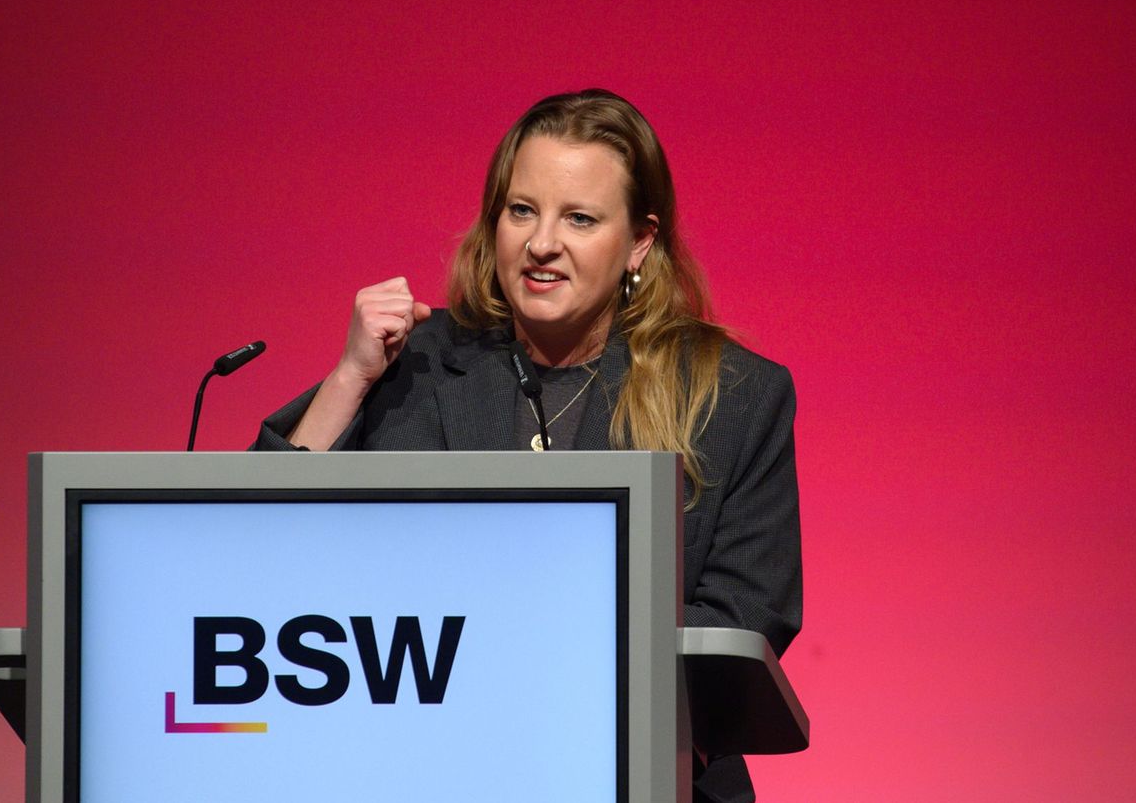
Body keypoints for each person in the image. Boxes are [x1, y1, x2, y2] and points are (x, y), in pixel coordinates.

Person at [253, 89, 801, 803]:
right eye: (522, 211)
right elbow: (257, 546)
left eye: (580, 218)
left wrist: (521, 685)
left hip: (639, 775)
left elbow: (743, 618)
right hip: (421, 771)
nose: (542, 243)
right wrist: (350, 376)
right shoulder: (415, 363)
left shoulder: (729, 393)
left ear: (639, 241)